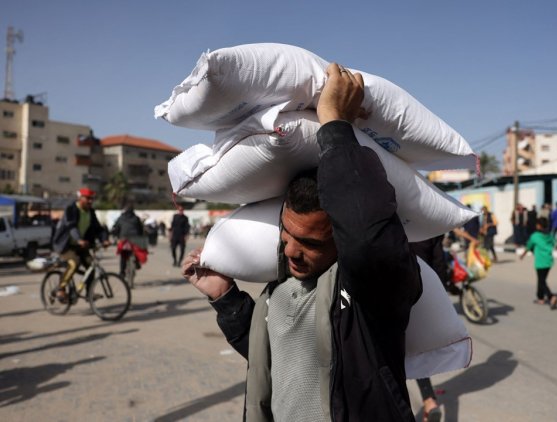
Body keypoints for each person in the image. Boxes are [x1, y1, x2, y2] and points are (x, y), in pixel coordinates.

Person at [181, 63, 422, 421]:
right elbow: (281, 361)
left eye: (310, 243)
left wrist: (336, 126)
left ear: (341, 240)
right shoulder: (277, 292)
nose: (292, 250)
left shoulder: (369, 298)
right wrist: (226, 298)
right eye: (287, 233)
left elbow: (367, 239)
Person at [409, 235, 447, 422]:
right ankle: (429, 400)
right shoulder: (429, 226)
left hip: (398, 295)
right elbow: (439, 262)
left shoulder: (396, 221)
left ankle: (428, 400)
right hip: (426, 294)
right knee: (416, 353)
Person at [51, 188, 110, 301]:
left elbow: (98, 228)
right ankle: (60, 288)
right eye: (87, 198)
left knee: (91, 266)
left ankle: (89, 294)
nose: (90, 201)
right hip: (65, 245)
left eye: (91, 199)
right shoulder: (71, 209)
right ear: (80, 198)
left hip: (80, 246)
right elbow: (71, 226)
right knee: (74, 263)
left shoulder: (91, 212)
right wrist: (79, 239)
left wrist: (105, 239)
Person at [520, 217, 557, 309]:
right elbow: (553, 243)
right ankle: (540, 298)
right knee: (541, 279)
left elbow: (528, 246)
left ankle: (551, 296)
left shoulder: (535, 236)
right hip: (549, 261)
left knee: (542, 281)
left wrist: (523, 255)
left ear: (539, 226)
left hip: (540, 262)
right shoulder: (549, 235)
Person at [111, 202, 144, 277]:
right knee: (138, 250)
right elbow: (140, 229)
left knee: (123, 255)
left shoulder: (121, 218)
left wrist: (116, 235)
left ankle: (122, 272)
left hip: (124, 239)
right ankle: (137, 262)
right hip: (135, 239)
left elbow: (116, 228)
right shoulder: (136, 218)